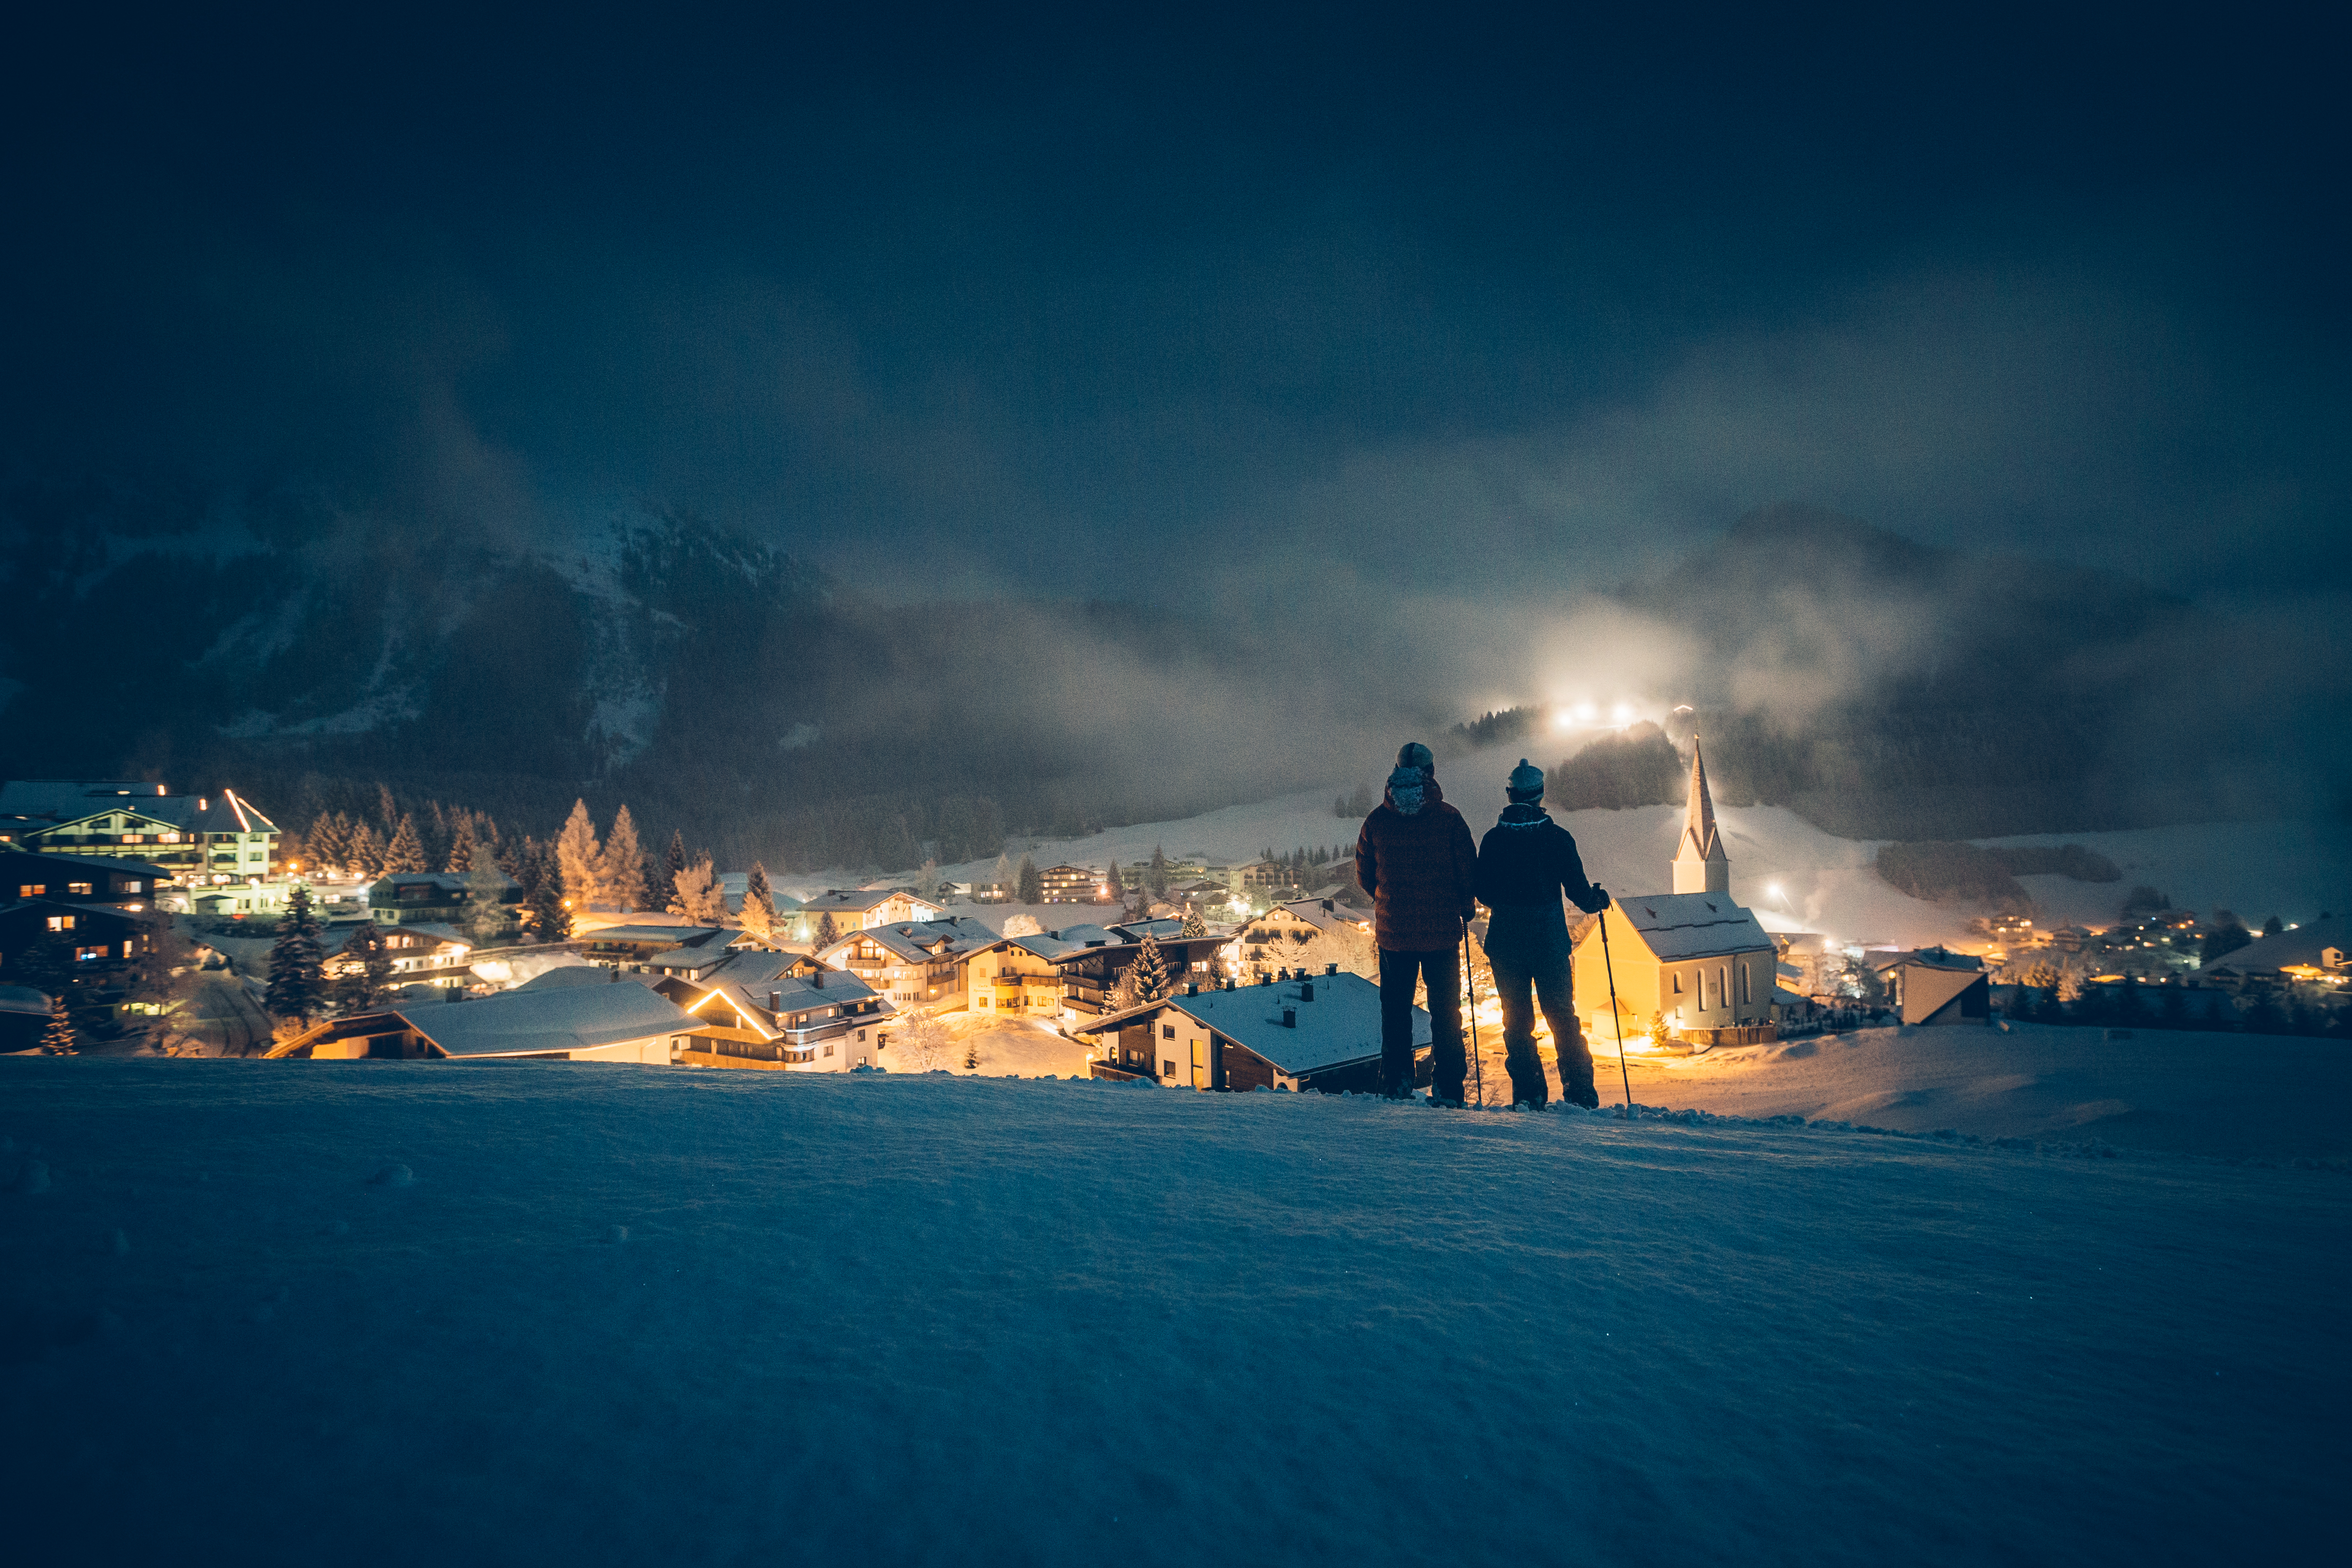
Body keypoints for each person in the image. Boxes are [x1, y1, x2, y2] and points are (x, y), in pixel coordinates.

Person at [1473, 758, 1610, 1108]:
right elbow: (1579, 893)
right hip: (1549, 941)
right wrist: (1597, 900)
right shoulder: (1557, 838)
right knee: (1562, 1016)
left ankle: (1530, 1094)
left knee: (1516, 1021)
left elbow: (1484, 893)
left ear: (1510, 794)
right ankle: (1580, 1092)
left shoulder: (1493, 840)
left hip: (1506, 942)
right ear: (1540, 795)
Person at [1355, 742, 1477, 1101]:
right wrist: (1465, 904)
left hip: (1395, 936)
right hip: (1441, 935)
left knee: (1395, 1014)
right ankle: (1449, 1086)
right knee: (1446, 1014)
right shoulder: (1449, 818)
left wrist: (1387, 901)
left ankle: (1396, 1082)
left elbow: (1365, 875)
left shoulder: (1377, 820)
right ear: (1432, 773)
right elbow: (1468, 871)